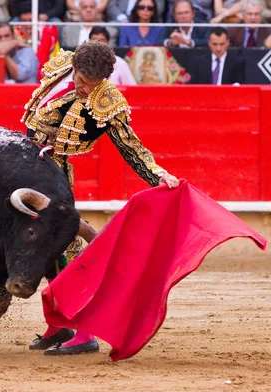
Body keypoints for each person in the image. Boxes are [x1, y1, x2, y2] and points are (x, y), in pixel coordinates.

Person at [21, 40, 179, 355]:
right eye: (80, 81)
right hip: (23, 165)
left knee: (65, 249)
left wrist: (158, 175)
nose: (82, 89)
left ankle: (85, 332)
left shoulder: (107, 101)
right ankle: (59, 324)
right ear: (75, 68)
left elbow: (131, 147)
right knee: (34, 248)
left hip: (53, 177)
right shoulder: (62, 63)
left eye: (90, 85)